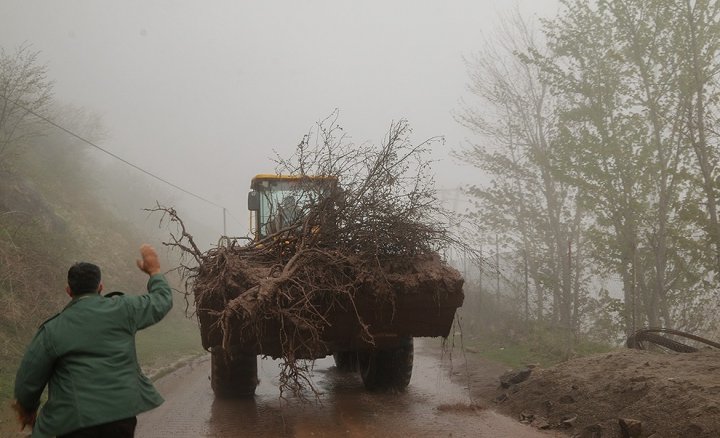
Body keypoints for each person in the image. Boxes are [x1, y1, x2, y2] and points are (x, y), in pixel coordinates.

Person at [12, 244, 173, 438]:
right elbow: (161, 300)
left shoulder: (52, 330)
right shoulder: (125, 309)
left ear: (68, 290)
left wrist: (28, 410)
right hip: (121, 417)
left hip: (74, 423)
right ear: (100, 287)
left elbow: (29, 379)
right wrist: (154, 272)